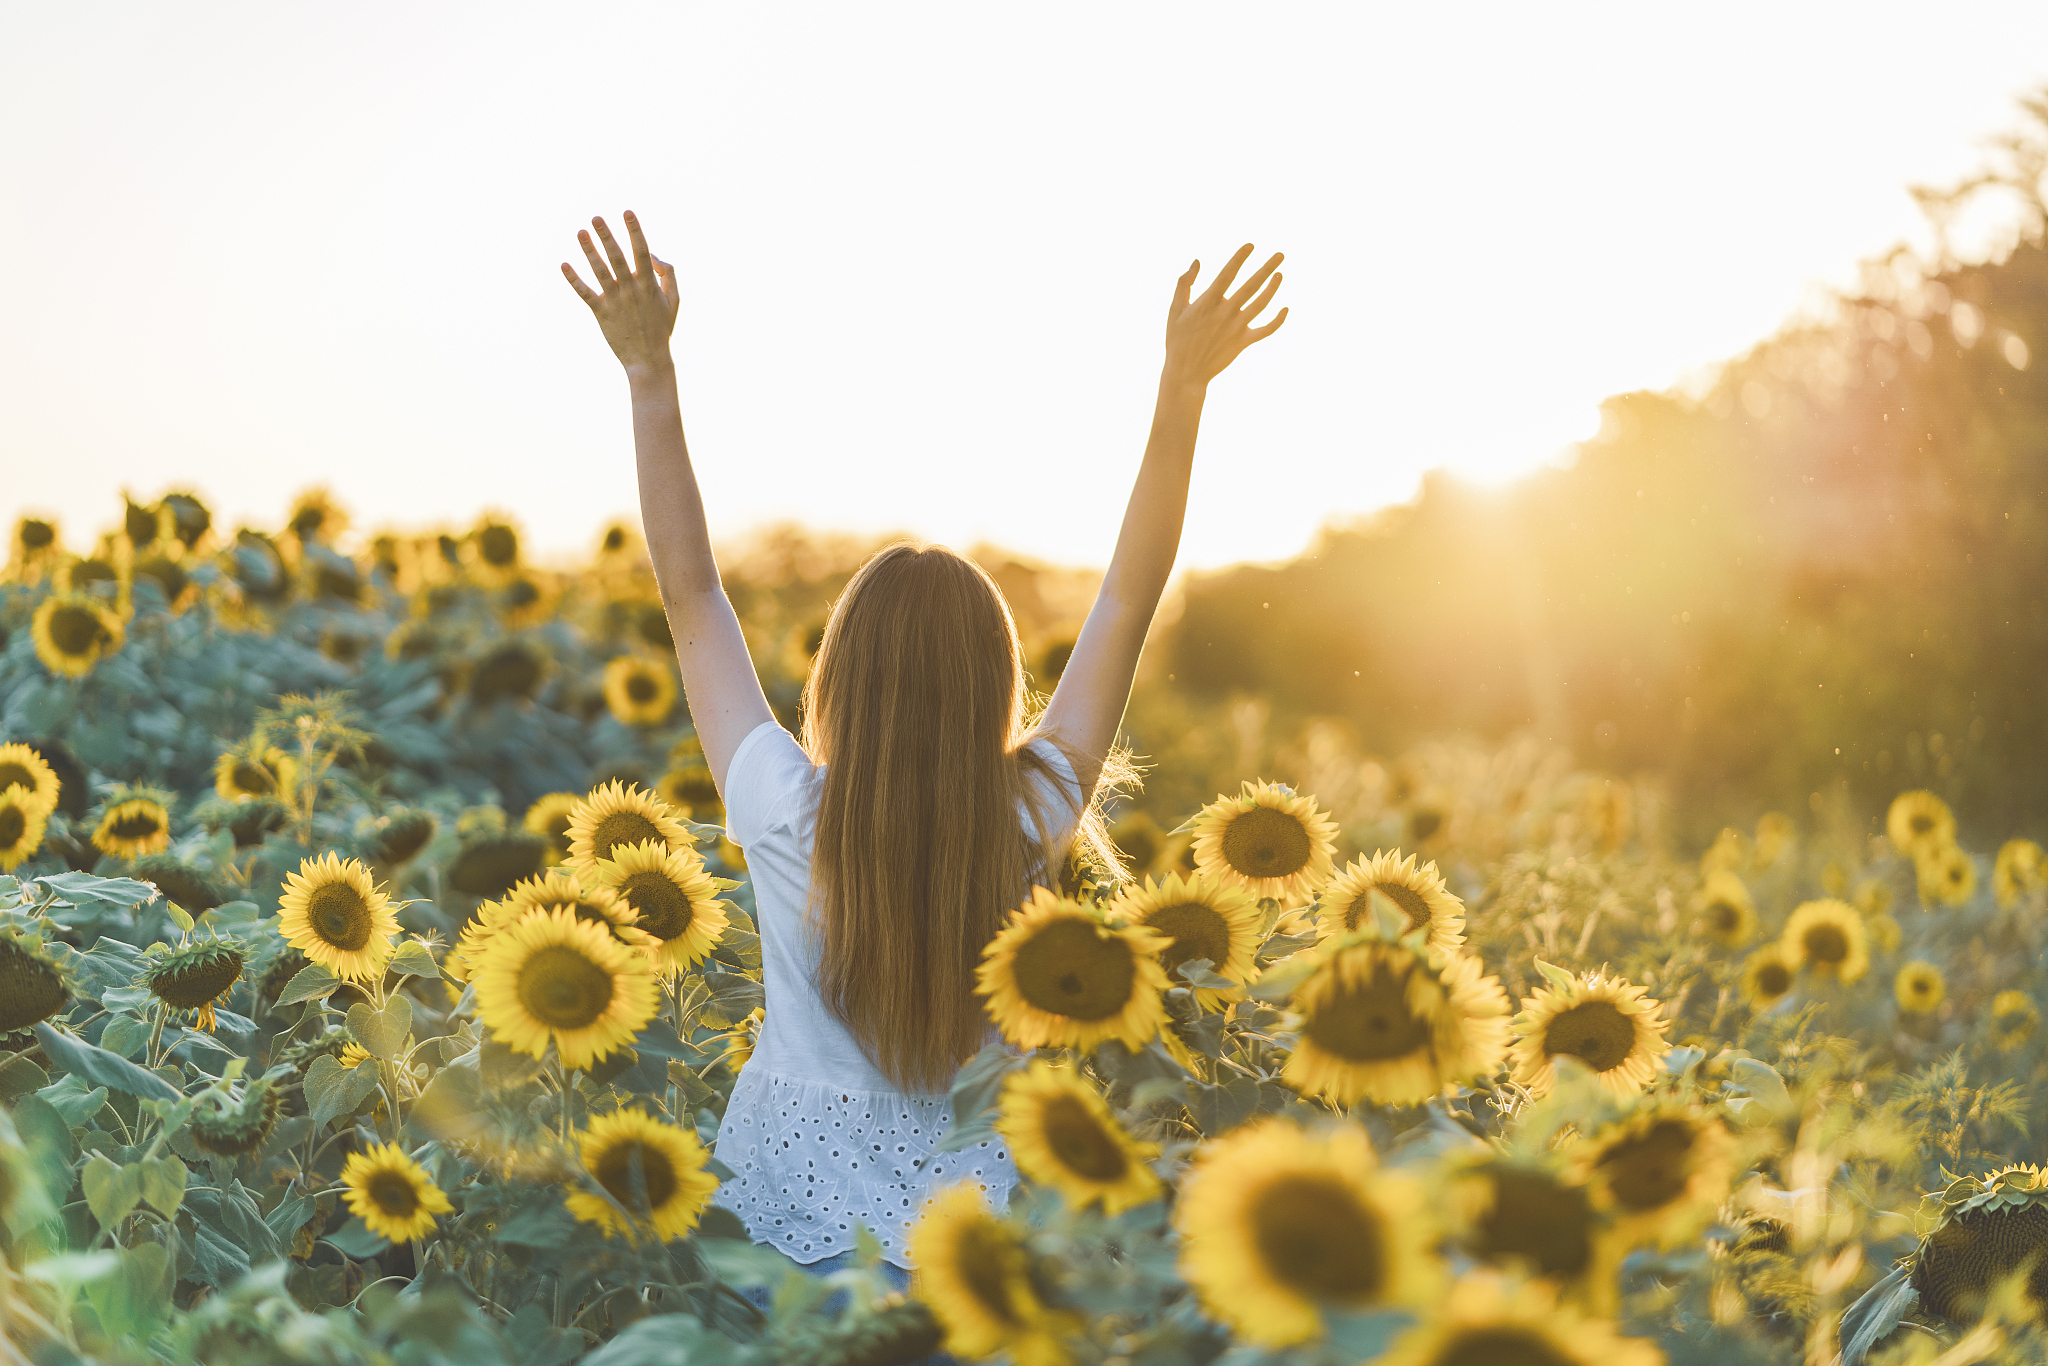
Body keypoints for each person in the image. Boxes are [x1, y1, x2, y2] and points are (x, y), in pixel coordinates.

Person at [562, 214, 1285, 1301]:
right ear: (995, 683)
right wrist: (1181, 392)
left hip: (783, 1230)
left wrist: (648, 373)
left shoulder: (776, 805)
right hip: (981, 1235)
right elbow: (1128, 599)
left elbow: (691, 592)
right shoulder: (1032, 807)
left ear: (837, 679)